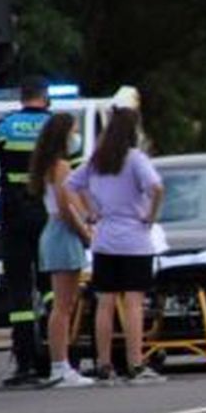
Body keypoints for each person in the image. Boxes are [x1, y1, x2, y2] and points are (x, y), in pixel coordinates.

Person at [67, 108, 165, 384]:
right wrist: (151, 215)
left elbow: (71, 184)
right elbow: (156, 187)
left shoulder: (97, 160)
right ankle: (135, 363)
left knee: (105, 303)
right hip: (135, 239)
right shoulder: (135, 159)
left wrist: (90, 212)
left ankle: (104, 363)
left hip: (105, 239)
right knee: (134, 303)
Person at [0, 75, 56, 389]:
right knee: (52, 287)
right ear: (45, 97)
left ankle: (24, 363)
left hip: (12, 211)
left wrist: (3, 183)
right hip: (47, 212)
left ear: (21, 97)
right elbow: (74, 174)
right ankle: (60, 357)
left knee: (20, 288)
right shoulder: (58, 126)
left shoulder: (3, 126)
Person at [26, 113, 97, 388]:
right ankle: (60, 366)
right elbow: (66, 207)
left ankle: (61, 365)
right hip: (62, 234)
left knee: (64, 304)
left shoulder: (51, 165)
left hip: (56, 232)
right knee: (64, 305)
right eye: (73, 132)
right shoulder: (60, 166)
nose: (75, 138)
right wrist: (85, 234)